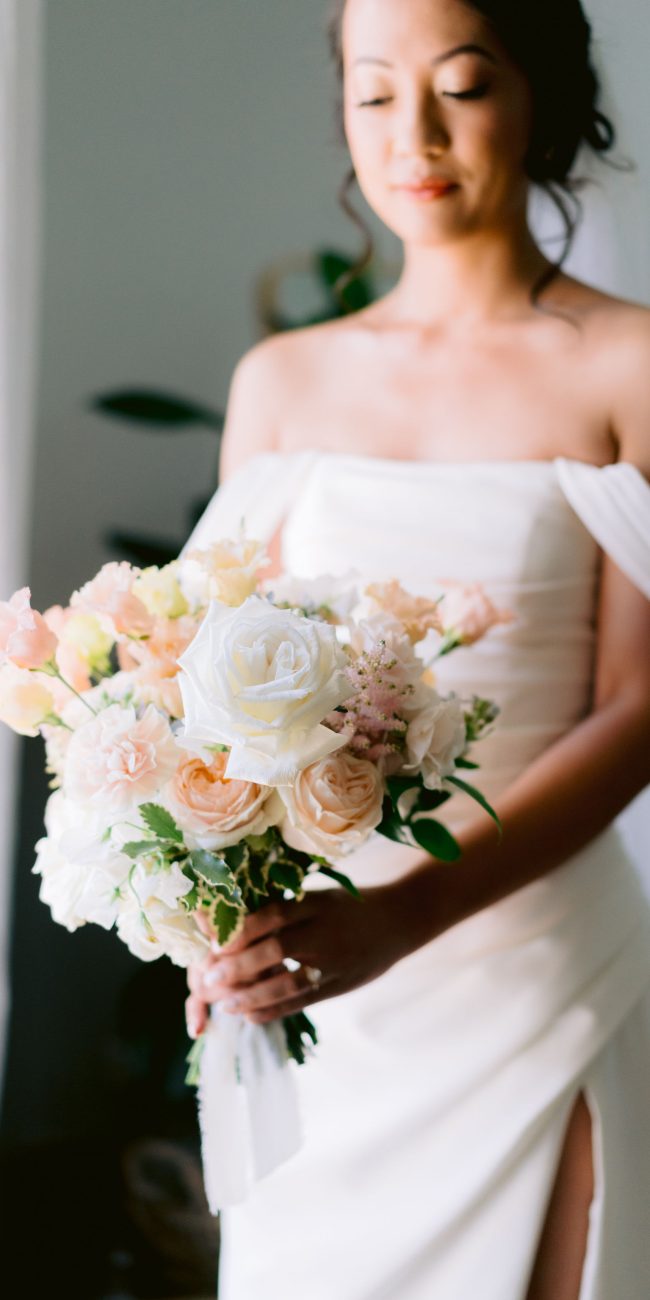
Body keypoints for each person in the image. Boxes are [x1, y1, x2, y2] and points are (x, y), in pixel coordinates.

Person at [183, 1, 650, 1296]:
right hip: (326, 988)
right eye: (374, 91)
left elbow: (639, 704)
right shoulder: (280, 383)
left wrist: (406, 914)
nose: (416, 133)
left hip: (532, 971)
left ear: (539, 94)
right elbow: (221, 722)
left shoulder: (630, 364)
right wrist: (215, 931)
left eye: (460, 84)